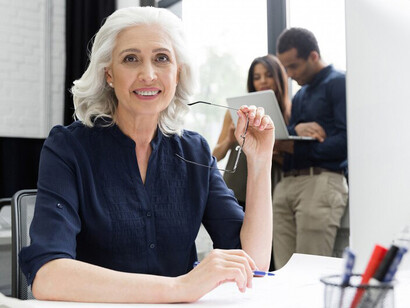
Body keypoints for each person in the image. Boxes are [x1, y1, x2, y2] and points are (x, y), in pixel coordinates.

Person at [18, 6, 275, 303]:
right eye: (131, 59)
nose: (148, 74)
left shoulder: (195, 150)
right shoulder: (67, 148)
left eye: (161, 58)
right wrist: (180, 288)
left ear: (177, 73)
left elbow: (254, 264)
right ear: (109, 74)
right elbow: (48, 277)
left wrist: (259, 161)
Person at [272, 27, 348, 269]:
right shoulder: (300, 96)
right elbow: (291, 137)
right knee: (283, 273)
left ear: (313, 57)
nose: (290, 74)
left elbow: (348, 142)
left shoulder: (339, 83)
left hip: (321, 183)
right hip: (286, 186)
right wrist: (292, 135)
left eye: (293, 66)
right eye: (286, 68)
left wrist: (297, 147)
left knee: (310, 272)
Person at [212, 55, 291, 209]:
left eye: (269, 75)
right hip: (236, 188)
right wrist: (229, 139)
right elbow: (214, 156)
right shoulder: (238, 110)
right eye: (257, 77)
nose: (263, 81)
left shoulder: (290, 112)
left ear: (279, 78)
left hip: (272, 191)